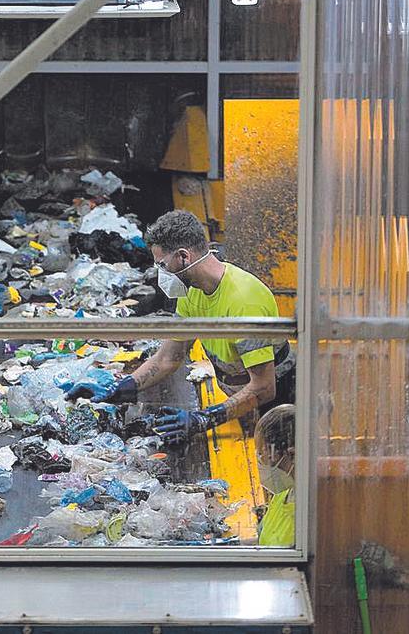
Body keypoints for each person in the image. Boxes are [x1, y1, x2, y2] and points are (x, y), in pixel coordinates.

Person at [68, 209, 295, 445]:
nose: (160, 274)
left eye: (162, 265)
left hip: (281, 407)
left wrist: (202, 419)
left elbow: (264, 387)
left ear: (184, 256)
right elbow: (169, 356)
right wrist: (120, 389)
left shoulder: (244, 301)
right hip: (243, 401)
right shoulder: (192, 291)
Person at [254, 404, 295, 546]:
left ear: (290, 454)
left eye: (262, 453)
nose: (260, 461)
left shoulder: (309, 515)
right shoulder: (283, 494)